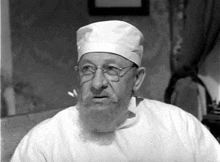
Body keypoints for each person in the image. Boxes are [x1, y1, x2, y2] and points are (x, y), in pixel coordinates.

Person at [11, 20, 220, 162]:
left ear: (137, 79)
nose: (97, 83)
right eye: (87, 70)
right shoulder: (47, 140)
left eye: (112, 69)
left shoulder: (180, 128)